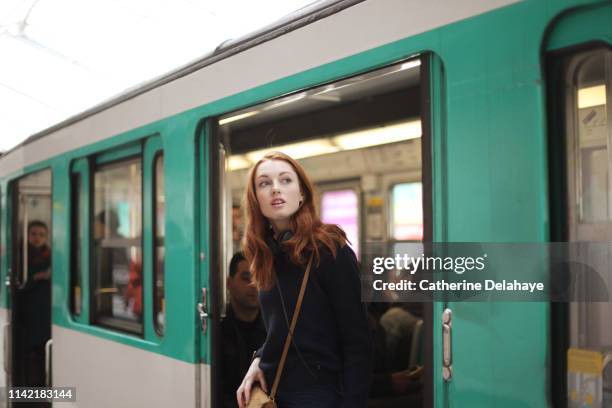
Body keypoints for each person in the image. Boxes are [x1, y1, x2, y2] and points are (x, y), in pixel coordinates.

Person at [236, 151, 372, 408]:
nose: (275, 189)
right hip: (274, 394)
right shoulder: (267, 255)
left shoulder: (330, 250)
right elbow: (281, 331)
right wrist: (258, 360)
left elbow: (358, 342)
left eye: (285, 180)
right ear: (256, 200)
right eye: (264, 183)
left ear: (302, 194)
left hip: (317, 395)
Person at [221, 252, 267, 408]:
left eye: (257, 278)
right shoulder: (218, 330)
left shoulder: (273, 329)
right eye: (246, 278)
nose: (253, 285)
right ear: (228, 283)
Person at [21, 220, 52, 387]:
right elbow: (19, 285)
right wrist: (36, 277)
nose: (37, 238)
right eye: (33, 234)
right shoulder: (20, 255)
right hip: (26, 311)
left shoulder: (51, 255)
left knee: (43, 352)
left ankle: (41, 388)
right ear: (27, 235)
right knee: (27, 351)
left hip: (45, 310)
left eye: (41, 235)